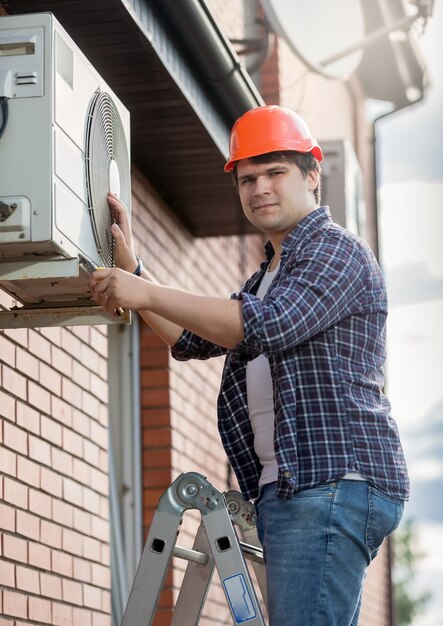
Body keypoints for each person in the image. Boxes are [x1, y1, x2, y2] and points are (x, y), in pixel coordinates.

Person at [90, 105, 409, 625]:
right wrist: (135, 273)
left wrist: (144, 290)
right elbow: (192, 338)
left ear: (312, 175)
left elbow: (266, 326)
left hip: (329, 482)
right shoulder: (270, 275)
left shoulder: (337, 252)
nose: (259, 188)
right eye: (247, 178)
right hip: (291, 488)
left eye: (275, 173)